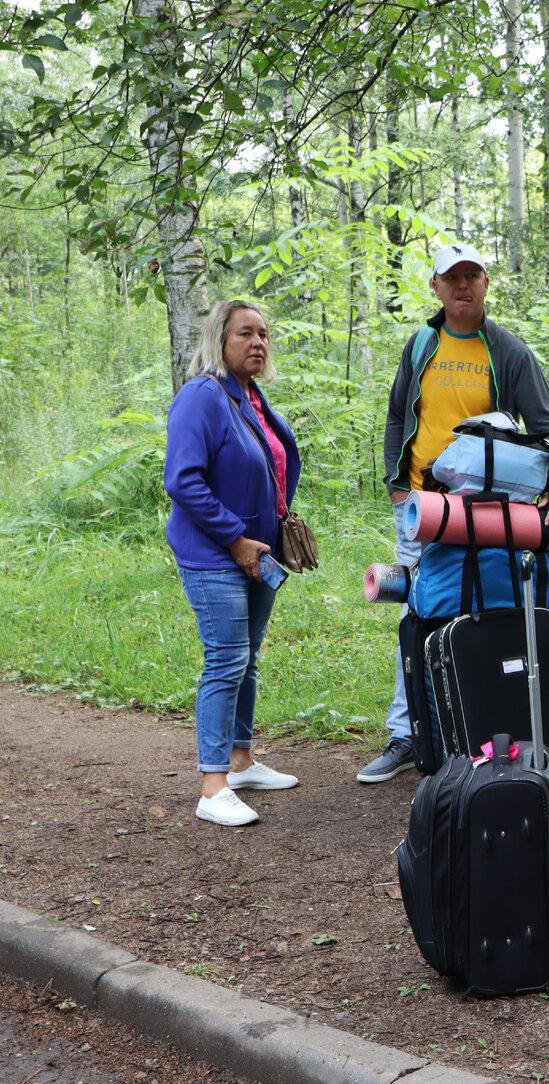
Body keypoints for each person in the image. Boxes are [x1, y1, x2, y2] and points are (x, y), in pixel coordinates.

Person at [357, 241, 549, 783]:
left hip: (485, 515)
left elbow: (547, 429)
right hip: (422, 511)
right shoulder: (421, 346)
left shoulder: (507, 351)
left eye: (471, 276)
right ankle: (411, 734)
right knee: (420, 616)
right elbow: (394, 418)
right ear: (435, 286)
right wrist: (395, 484)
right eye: (451, 277)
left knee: (487, 615)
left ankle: (480, 728)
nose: (462, 286)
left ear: (485, 283)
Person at [164, 300, 301, 827]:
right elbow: (183, 481)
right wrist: (236, 538)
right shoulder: (203, 395)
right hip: (215, 554)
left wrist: (277, 527)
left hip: (258, 555)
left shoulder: (251, 397)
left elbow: (264, 468)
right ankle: (212, 785)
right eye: (245, 333)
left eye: (264, 334)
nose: (258, 343)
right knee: (225, 657)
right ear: (220, 339)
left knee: (247, 656)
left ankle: (240, 762)